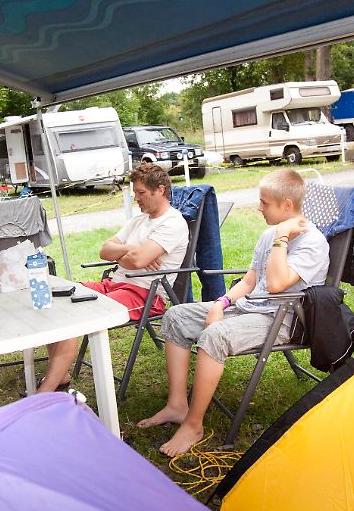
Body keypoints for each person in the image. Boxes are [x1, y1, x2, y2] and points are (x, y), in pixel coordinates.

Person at [138, 170, 329, 456]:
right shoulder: (269, 234)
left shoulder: (312, 242)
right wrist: (221, 303)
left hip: (284, 318)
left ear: (286, 206)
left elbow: (277, 284)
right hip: (249, 307)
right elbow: (251, 280)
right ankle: (178, 405)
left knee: (215, 335)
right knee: (176, 315)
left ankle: (194, 425)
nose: (259, 208)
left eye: (265, 203)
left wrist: (282, 239)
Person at [38, 162, 189, 393]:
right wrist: (132, 249)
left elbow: (136, 261)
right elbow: (105, 250)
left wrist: (130, 255)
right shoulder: (139, 221)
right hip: (114, 284)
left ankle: (45, 393)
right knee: (56, 300)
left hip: (144, 294)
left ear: (160, 189)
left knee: (74, 312)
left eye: (141, 193)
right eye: (134, 192)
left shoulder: (173, 223)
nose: (136, 198)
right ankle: (61, 375)